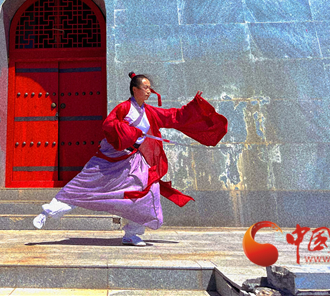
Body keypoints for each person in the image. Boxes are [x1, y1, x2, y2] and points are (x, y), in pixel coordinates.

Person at [33, 72, 228, 246]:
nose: (149, 91)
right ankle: (48, 212)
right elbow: (109, 125)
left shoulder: (149, 111)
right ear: (135, 89)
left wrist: (195, 107)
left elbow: (172, 116)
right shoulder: (124, 108)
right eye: (145, 88)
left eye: (150, 88)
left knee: (148, 190)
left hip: (132, 160)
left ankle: (132, 233)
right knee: (82, 185)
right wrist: (130, 132)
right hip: (109, 158)